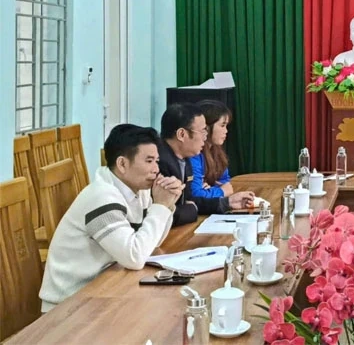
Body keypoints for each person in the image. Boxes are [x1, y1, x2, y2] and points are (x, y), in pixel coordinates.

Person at [39, 124, 182, 312]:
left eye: (157, 161)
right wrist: (160, 206)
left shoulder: (138, 189)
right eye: (149, 161)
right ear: (122, 164)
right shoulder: (101, 197)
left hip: (102, 290)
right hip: (68, 305)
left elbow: (152, 244)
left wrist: (168, 204)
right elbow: (134, 257)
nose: (156, 169)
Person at [158, 103, 254, 226]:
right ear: (181, 134)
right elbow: (164, 215)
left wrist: (227, 202)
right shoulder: (160, 162)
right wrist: (192, 209)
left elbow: (191, 200)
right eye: (203, 131)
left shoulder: (184, 159)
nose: (205, 137)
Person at [189, 100, 233, 199]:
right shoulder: (193, 153)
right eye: (222, 125)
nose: (226, 131)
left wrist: (212, 189)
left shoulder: (216, 150)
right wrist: (221, 191)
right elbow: (196, 193)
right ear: (206, 127)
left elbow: (225, 182)